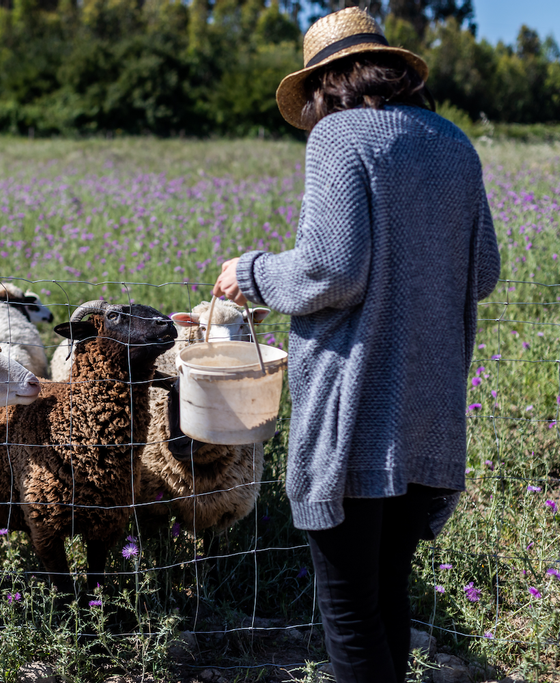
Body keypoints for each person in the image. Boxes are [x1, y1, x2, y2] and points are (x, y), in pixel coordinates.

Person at [212, 7, 501, 683]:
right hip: (428, 416)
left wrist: (249, 271)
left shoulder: (339, 139)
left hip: (357, 417)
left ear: (327, 82)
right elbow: (482, 272)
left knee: (347, 614)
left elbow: (330, 269)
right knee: (388, 600)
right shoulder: (455, 142)